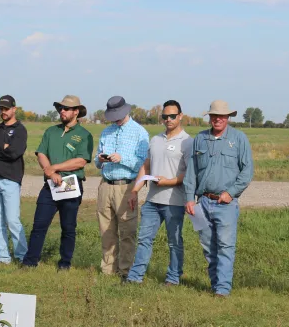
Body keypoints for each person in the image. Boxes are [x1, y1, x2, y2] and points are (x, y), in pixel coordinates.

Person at [184, 100, 253, 297]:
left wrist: (231, 193)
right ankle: (215, 284)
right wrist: (190, 198)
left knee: (225, 246)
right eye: (214, 116)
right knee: (208, 247)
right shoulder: (200, 139)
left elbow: (247, 171)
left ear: (228, 117)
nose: (217, 119)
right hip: (203, 202)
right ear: (210, 117)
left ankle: (222, 289)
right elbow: (191, 171)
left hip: (226, 204)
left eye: (222, 116)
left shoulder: (239, 139)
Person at [22, 96, 93, 270]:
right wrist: (50, 172)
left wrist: (55, 168)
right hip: (50, 185)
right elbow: (41, 153)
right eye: (61, 108)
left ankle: (64, 264)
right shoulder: (51, 131)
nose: (62, 111)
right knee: (39, 225)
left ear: (76, 111)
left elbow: (81, 161)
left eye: (66, 108)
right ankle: (30, 262)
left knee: (68, 227)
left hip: (71, 184)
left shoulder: (84, 135)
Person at [126, 100, 192, 286]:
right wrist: (135, 190)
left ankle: (173, 278)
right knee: (144, 239)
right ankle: (135, 277)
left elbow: (190, 173)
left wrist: (168, 182)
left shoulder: (188, 142)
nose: (168, 119)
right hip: (152, 200)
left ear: (180, 116)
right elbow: (146, 167)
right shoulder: (155, 140)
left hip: (174, 201)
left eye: (172, 116)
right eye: (165, 116)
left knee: (174, 242)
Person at [95, 96, 149, 277]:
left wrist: (122, 158)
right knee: (106, 230)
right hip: (105, 185)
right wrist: (100, 159)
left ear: (126, 111)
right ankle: (108, 270)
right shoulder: (106, 132)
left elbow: (143, 163)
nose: (115, 120)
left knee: (127, 231)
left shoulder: (139, 132)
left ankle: (126, 271)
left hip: (125, 187)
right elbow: (96, 161)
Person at [0, 95, 28, 264]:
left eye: (6, 108)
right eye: (1, 108)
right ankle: (2, 257)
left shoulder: (20, 130)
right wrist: (3, 147)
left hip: (10, 179)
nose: (3, 111)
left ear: (14, 109)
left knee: (12, 220)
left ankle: (22, 255)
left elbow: (14, 153)